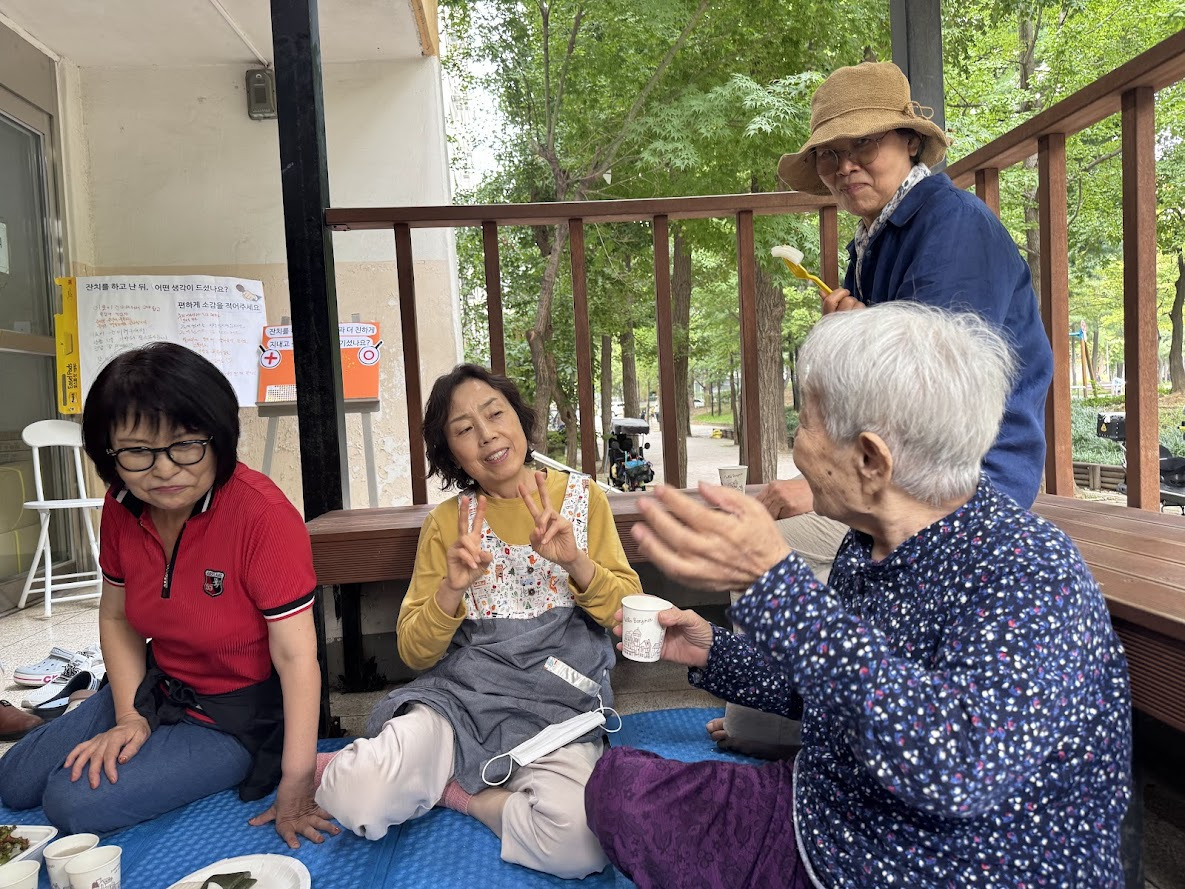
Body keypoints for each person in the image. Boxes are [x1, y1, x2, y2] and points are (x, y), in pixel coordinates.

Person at [584, 303, 1132, 889]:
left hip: (950, 865)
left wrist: (776, 588)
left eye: (805, 422)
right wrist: (714, 652)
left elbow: (956, 768)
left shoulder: (1030, 571)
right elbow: (835, 688)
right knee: (619, 787)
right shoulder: (865, 542)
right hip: (828, 810)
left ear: (870, 459)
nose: (796, 442)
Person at [711, 59, 1056, 756]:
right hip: (902, 473)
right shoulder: (878, 237)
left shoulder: (953, 225)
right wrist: (858, 328)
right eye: (830, 154)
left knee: (767, 540)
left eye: (863, 144)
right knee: (771, 524)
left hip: (967, 480)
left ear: (909, 142)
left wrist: (811, 487)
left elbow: (940, 394)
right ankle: (792, 723)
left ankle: (780, 733)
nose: (844, 166)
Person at [0, 343, 337, 848]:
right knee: (15, 779)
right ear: (109, 453)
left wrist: (298, 781)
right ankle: (114, 719)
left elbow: (296, 658)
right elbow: (117, 619)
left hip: (233, 718)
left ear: (218, 438)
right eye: (138, 451)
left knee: (68, 801)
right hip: (156, 686)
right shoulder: (122, 506)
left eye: (184, 444)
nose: (163, 469)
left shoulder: (262, 517)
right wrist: (129, 716)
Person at [315, 364, 641, 879]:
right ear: (451, 452)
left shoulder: (584, 499)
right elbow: (415, 652)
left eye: (495, 414)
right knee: (354, 795)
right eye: (464, 429)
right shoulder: (449, 522)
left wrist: (576, 562)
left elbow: (629, 615)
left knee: (583, 845)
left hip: (559, 713)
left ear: (520, 419)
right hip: (463, 705)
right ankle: (435, 772)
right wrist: (451, 588)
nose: (487, 434)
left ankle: (461, 794)